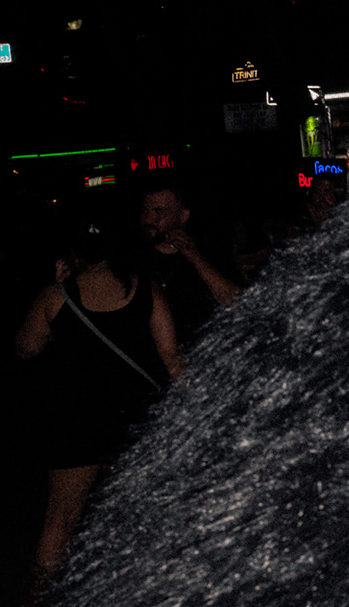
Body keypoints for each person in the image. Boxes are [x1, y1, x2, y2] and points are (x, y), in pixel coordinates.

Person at [13, 217, 183, 585]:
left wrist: (57, 287)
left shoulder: (55, 296)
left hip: (75, 420)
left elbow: (26, 347)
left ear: (73, 254)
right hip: (134, 416)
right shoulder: (145, 288)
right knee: (143, 511)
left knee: (61, 518)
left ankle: (39, 606)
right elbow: (172, 358)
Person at [138, 180, 241, 339]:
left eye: (159, 211)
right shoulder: (133, 259)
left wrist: (196, 258)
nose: (149, 219)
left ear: (183, 216)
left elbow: (237, 302)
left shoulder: (210, 251)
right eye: (145, 211)